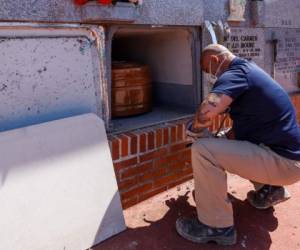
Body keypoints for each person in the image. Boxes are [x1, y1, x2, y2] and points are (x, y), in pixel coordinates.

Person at [175, 44, 300, 246]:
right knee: (222, 142)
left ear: (215, 60)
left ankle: (216, 226)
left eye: (208, 70)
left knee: (202, 151)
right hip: (289, 159)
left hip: (283, 162)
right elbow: (240, 134)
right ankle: (270, 190)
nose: (210, 76)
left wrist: (195, 130)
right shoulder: (250, 71)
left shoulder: (234, 74)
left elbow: (208, 109)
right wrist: (220, 140)